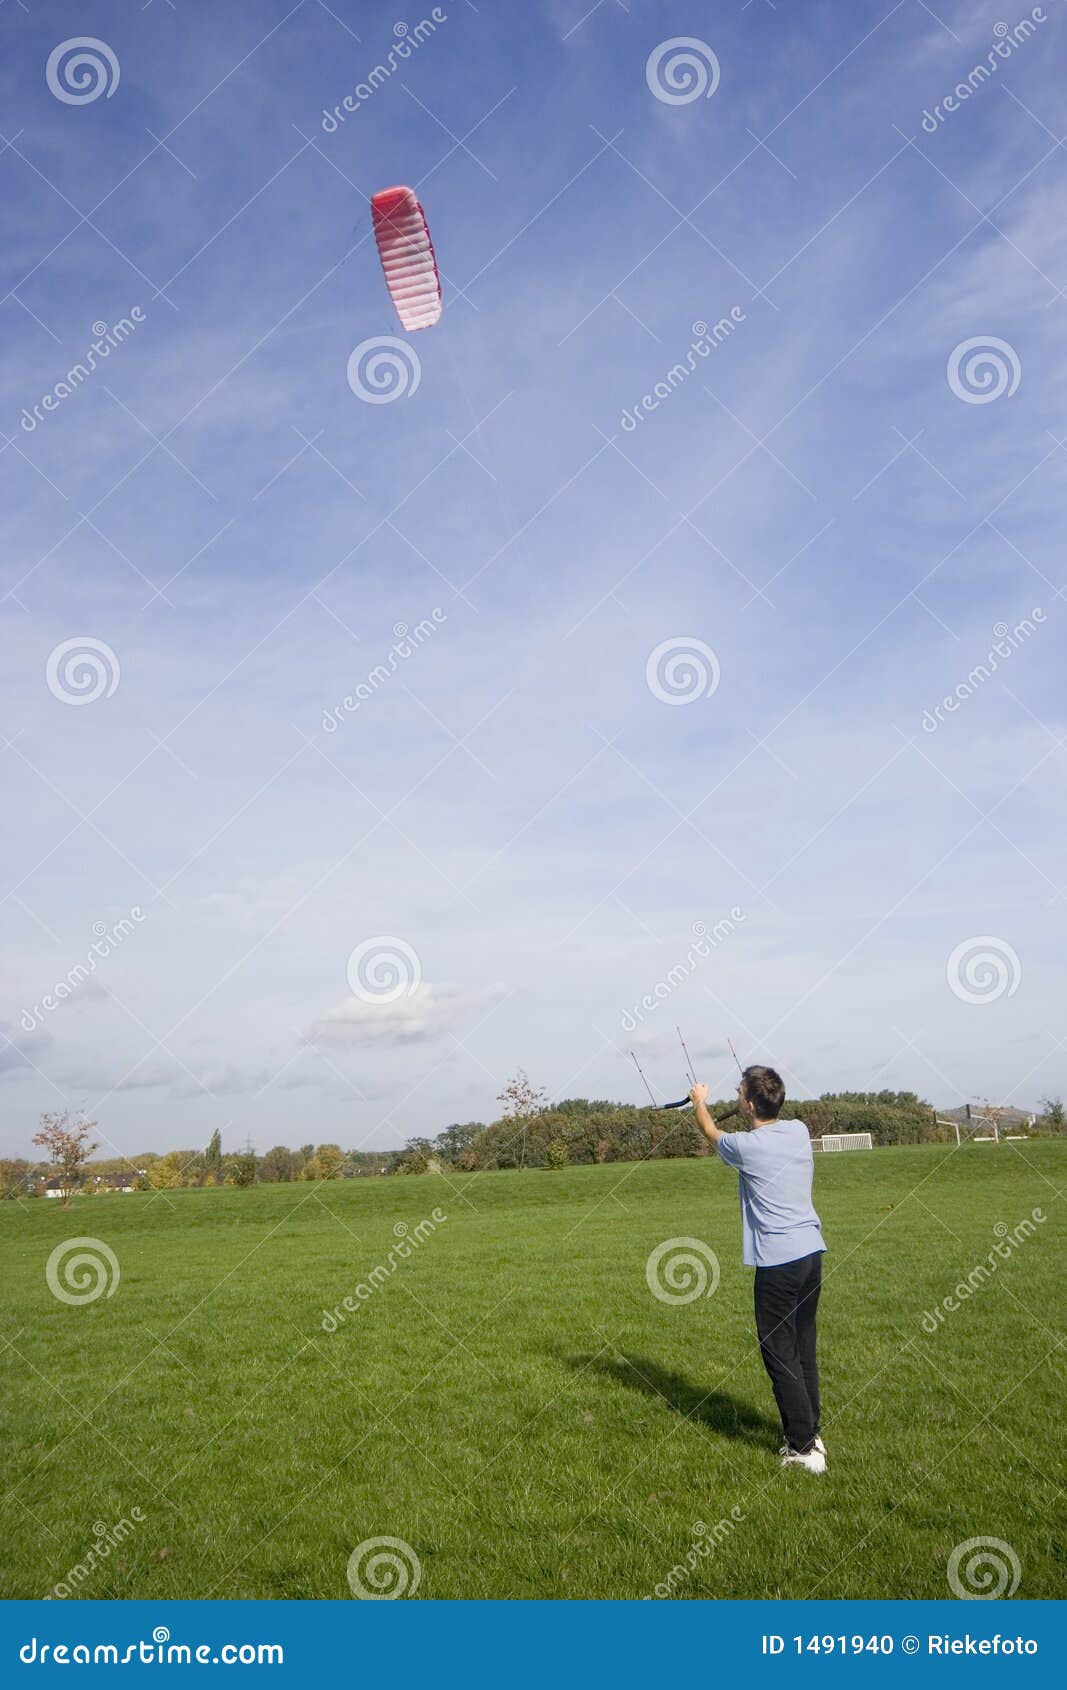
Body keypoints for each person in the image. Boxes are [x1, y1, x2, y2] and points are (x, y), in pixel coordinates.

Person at [689, 1065, 827, 1475]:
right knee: (802, 1348)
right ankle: (811, 1433)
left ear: (749, 1104)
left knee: (779, 1354)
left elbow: (711, 1133)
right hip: (811, 1255)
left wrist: (699, 1102)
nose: (738, 1097)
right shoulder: (799, 1130)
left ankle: (803, 1449)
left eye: (740, 1093)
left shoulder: (746, 1147)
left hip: (779, 1263)